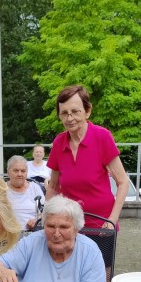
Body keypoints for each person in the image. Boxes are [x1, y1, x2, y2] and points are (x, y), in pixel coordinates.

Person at [45, 85, 131, 233]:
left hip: (101, 225)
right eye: (64, 113)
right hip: (69, 226)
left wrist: (112, 219)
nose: (70, 118)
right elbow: (53, 186)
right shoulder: (59, 143)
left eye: (75, 112)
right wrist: (45, 218)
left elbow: (123, 182)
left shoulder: (102, 137)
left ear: (87, 111)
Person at [0, 195, 106, 282]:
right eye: (51, 226)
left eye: (64, 227)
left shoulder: (90, 251)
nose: (56, 234)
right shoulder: (31, 242)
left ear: (76, 229)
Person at [6, 155, 45, 230]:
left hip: (33, 233)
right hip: (9, 234)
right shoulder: (2, 189)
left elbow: (45, 212)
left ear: (27, 173)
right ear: (8, 172)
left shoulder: (35, 188)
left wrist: (36, 221)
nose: (20, 174)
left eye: (23, 171)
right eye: (16, 170)